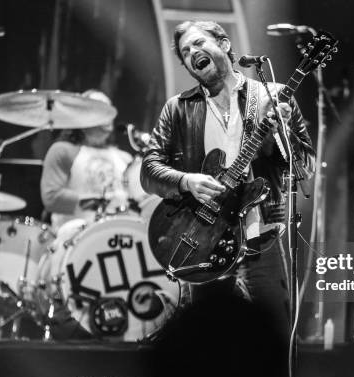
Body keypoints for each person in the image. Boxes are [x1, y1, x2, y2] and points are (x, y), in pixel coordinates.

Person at [140, 20, 315, 343]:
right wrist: (186, 181)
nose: (192, 52)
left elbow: (306, 166)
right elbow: (148, 171)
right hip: (206, 241)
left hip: (262, 236)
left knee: (274, 339)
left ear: (223, 44)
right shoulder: (178, 109)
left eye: (198, 43)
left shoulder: (271, 95)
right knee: (207, 345)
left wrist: (282, 131)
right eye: (185, 51)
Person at [40, 89, 133, 231]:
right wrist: (98, 201)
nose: (106, 117)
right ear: (81, 116)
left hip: (117, 237)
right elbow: (51, 197)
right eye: (99, 110)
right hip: (74, 239)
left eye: (108, 110)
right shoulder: (62, 150)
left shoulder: (125, 158)